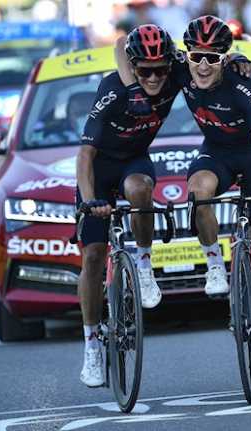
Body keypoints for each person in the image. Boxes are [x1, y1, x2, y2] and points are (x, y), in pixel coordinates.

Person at [116, 15, 251, 374]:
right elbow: (122, 46)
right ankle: (215, 263)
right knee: (198, 190)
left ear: (224, 59)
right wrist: (132, 89)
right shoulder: (181, 69)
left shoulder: (241, 86)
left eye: (212, 58)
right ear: (187, 54)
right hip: (217, 152)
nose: (202, 65)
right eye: (196, 55)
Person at [76, 24, 177, 388]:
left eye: (160, 70)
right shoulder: (113, 89)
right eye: (144, 70)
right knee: (92, 255)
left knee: (140, 188)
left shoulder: (174, 70)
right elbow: (84, 155)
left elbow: (209, 66)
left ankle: (145, 266)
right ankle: (91, 344)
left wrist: (238, 60)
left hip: (134, 160)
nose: (153, 77)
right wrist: (90, 202)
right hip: (100, 168)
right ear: (133, 67)